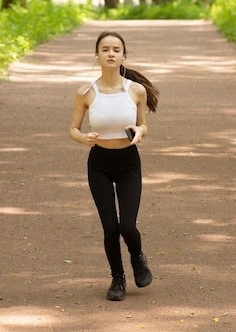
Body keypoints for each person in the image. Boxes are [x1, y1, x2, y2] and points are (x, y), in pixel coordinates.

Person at [69, 31, 160, 301]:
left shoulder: (136, 90)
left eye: (116, 49)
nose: (111, 53)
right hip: (99, 163)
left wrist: (140, 131)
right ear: (97, 55)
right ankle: (117, 279)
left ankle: (138, 258)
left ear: (123, 55)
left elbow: (143, 124)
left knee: (127, 226)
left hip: (128, 163)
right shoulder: (86, 92)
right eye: (105, 49)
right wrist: (84, 137)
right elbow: (73, 129)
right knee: (110, 227)